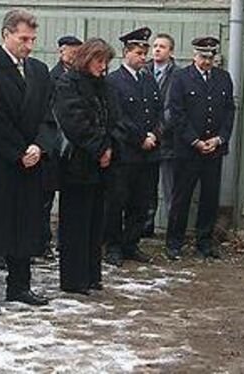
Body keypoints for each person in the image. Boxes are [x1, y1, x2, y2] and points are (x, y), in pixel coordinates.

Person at [0, 9, 56, 315]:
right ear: (6, 35)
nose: (29, 45)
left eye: (33, 39)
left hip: (31, 161)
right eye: (23, 39)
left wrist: (38, 146)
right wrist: (19, 151)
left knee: (26, 224)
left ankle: (20, 285)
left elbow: (48, 116)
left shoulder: (39, 70)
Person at [52, 38, 118, 295]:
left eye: (105, 62)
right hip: (77, 164)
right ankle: (73, 279)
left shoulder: (104, 86)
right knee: (75, 223)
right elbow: (74, 121)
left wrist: (109, 147)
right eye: (99, 61)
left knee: (94, 222)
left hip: (101, 165)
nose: (103, 67)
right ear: (86, 59)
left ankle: (91, 274)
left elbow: (113, 117)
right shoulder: (69, 83)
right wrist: (100, 147)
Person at [165, 36, 234, 260]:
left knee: (209, 198)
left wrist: (220, 138)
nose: (207, 61)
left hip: (213, 149)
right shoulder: (181, 77)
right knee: (181, 197)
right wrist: (194, 140)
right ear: (195, 56)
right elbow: (177, 113)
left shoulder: (223, 78)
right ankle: (174, 242)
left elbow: (228, 112)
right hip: (188, 150)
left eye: (210, 57)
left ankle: (204, 242)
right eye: (203, 57)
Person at [104, 27, 162, 267]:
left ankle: (131, 243)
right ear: (126, 53)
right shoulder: (114, 81)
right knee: (118, 201)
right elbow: (118, 117)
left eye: (144, 52)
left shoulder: (148, 79)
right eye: (138, 52)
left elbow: (159, 110)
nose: (143, 57)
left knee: (142, 201)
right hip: (126, 152)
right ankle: (114, 245)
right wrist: (140, 138)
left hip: (149, 153)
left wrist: (155, 134)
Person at [37, 35, 82, 261]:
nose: (74, 57)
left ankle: (65, 242)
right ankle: (42, 242)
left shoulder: (81, 79)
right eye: (70, 53)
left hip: (73, 150)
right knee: (45, 200)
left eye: (77, 53)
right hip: (53, 148)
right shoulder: (50, 77)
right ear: (61, 52)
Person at [143, 33, 179, 237]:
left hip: (167, 141)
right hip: (145, 140)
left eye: (162, 46)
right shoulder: (144, 70)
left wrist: (158, 132)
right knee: (146, 189)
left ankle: (171, 232)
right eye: (155, 46)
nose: (157, 49)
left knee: (169, 189)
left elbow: (173, 109)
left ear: (170, 51)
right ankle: (145, 228)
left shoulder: (178, 75)